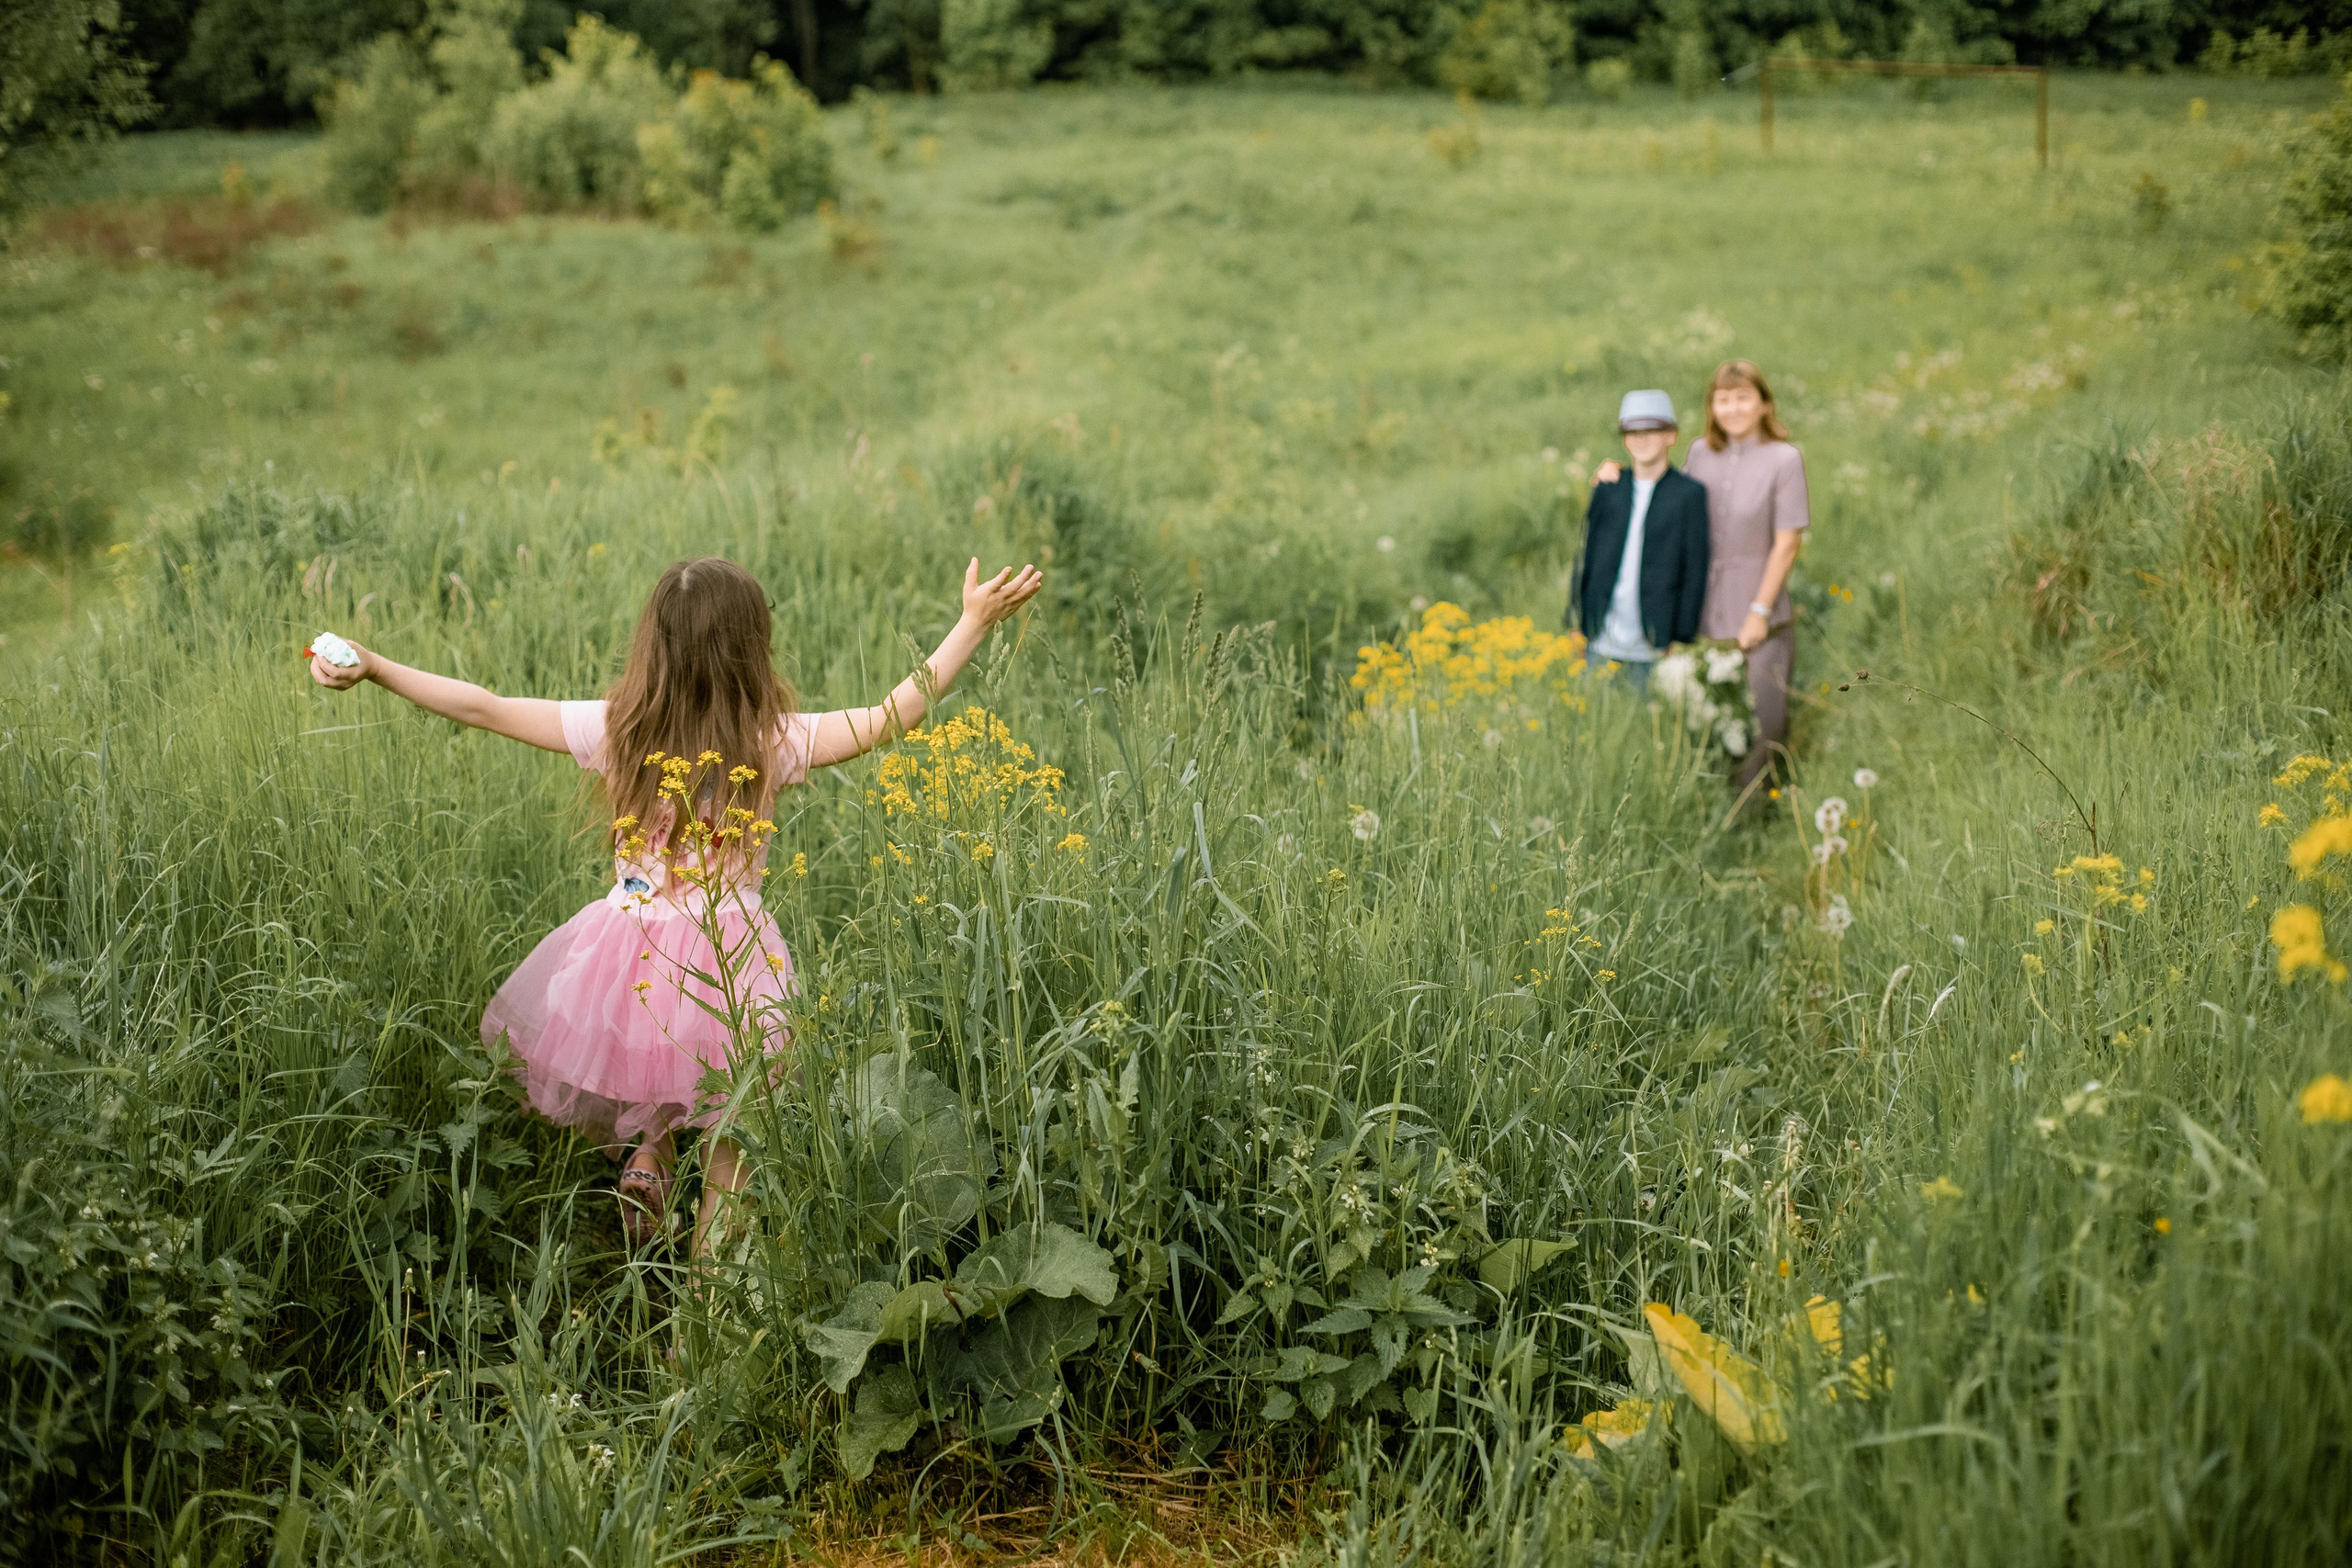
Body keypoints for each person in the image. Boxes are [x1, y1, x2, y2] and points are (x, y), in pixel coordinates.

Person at [306, 555, 1044, 1256]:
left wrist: (373, 665)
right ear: (750, 650)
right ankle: (706, 1310)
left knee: (651, 1060)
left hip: (629, 944)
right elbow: (892, 714)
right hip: (732, 958)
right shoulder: (771, 741)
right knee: (735, 1131)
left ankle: (649, 1159)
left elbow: (484, 706)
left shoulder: (619, 730)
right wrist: (973, 621)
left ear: (653, 648)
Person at [1594, 359, 1809, 790]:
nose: (1733, 408)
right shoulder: (1699, 453)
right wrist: (1617, 474)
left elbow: (1787, 543)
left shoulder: (1785, 459)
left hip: (1758, 613)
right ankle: (1702, 808)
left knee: (1760, 723)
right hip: (1702, 610)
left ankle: (1750, 825)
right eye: (1723, 399)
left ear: (1764, 404)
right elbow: (1667, 499)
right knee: (1700, 718)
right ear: (1712, 406)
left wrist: (1759, 612)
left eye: (1743, 398)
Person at [1566, 389, 1710, 693]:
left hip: (1655, 642)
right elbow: (1587, 557)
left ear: (1671, 435)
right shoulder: (1609, 487)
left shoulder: (1689, 495)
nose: (1642, 439)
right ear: (1624, 438)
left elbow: (1695, 568)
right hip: (1601, 637)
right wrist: (1577, 620)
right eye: (1633, 432)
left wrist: (1681, 636)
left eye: (1652, 430)